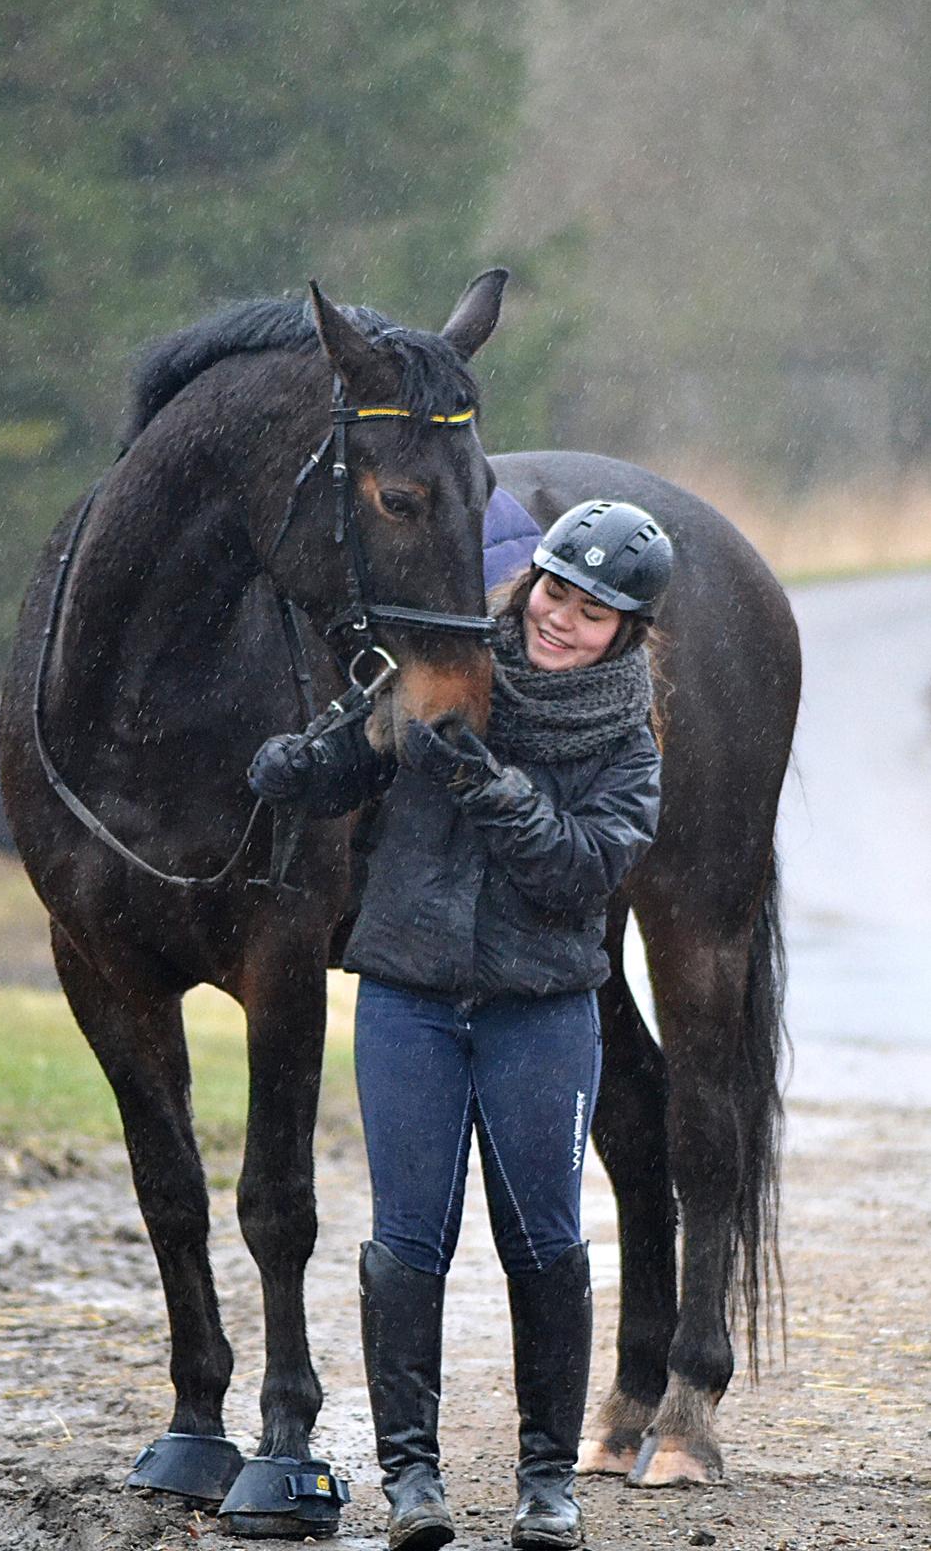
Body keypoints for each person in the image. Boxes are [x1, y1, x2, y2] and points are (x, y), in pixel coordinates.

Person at [247, 500, 673, 1551]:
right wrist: (298, 764)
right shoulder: (445, 671)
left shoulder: (629, 742)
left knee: (544, 1240)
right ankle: (412, 1482)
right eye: (553, 592)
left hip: (543, 1010)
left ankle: (545, 1486)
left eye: (592, 612)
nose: (560, 620)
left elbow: (579, 868)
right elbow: (360, 751)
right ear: (528, 580)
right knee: (406, 1239)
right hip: (408, 995)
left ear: (629, 632)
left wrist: (487, 785)